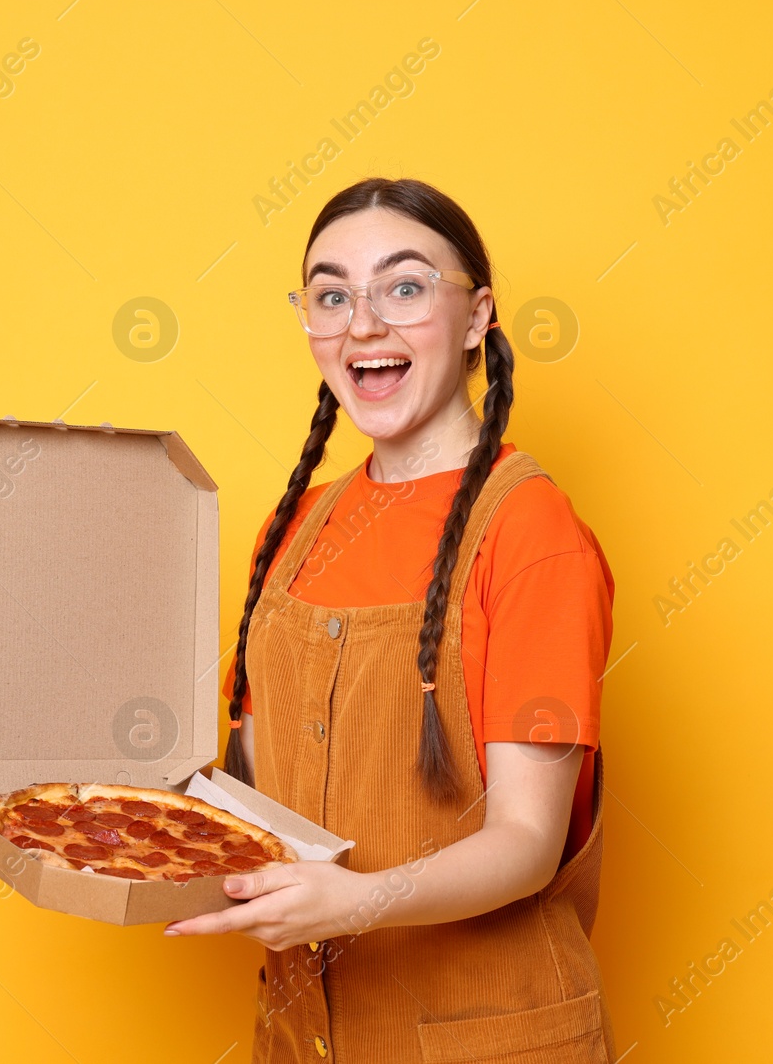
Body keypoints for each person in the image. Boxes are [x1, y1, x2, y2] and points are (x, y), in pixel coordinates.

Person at [163, 177, 617, 1062]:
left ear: (478, 314)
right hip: (306, 1037)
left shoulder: (530, 530)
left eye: (404, 287)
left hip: (490, 1039)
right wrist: (122, 817)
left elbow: (528, 840)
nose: (362, 324)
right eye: (331, 296)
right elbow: (254, 792)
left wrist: (354, 898)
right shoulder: (293, 529)